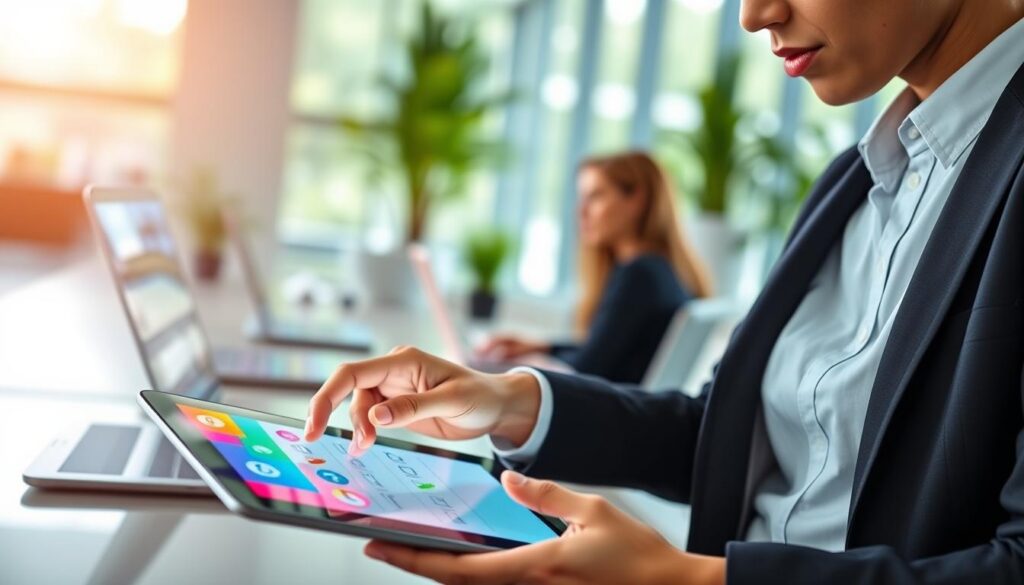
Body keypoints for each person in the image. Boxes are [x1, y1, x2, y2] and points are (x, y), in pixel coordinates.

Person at [304, 0, 1024, 582]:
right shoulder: (857, 179)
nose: (753, 14)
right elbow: (720, 437)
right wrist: (510, 401)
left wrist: (689, 581)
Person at [477, 151, 713, 384]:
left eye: (596, 196)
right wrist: (543, 347)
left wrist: (520, 367)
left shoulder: (639, 275)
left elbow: (587, 368)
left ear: (636, 200)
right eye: (582, 198)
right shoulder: (663, 271)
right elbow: (605, 352)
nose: (581, 211)